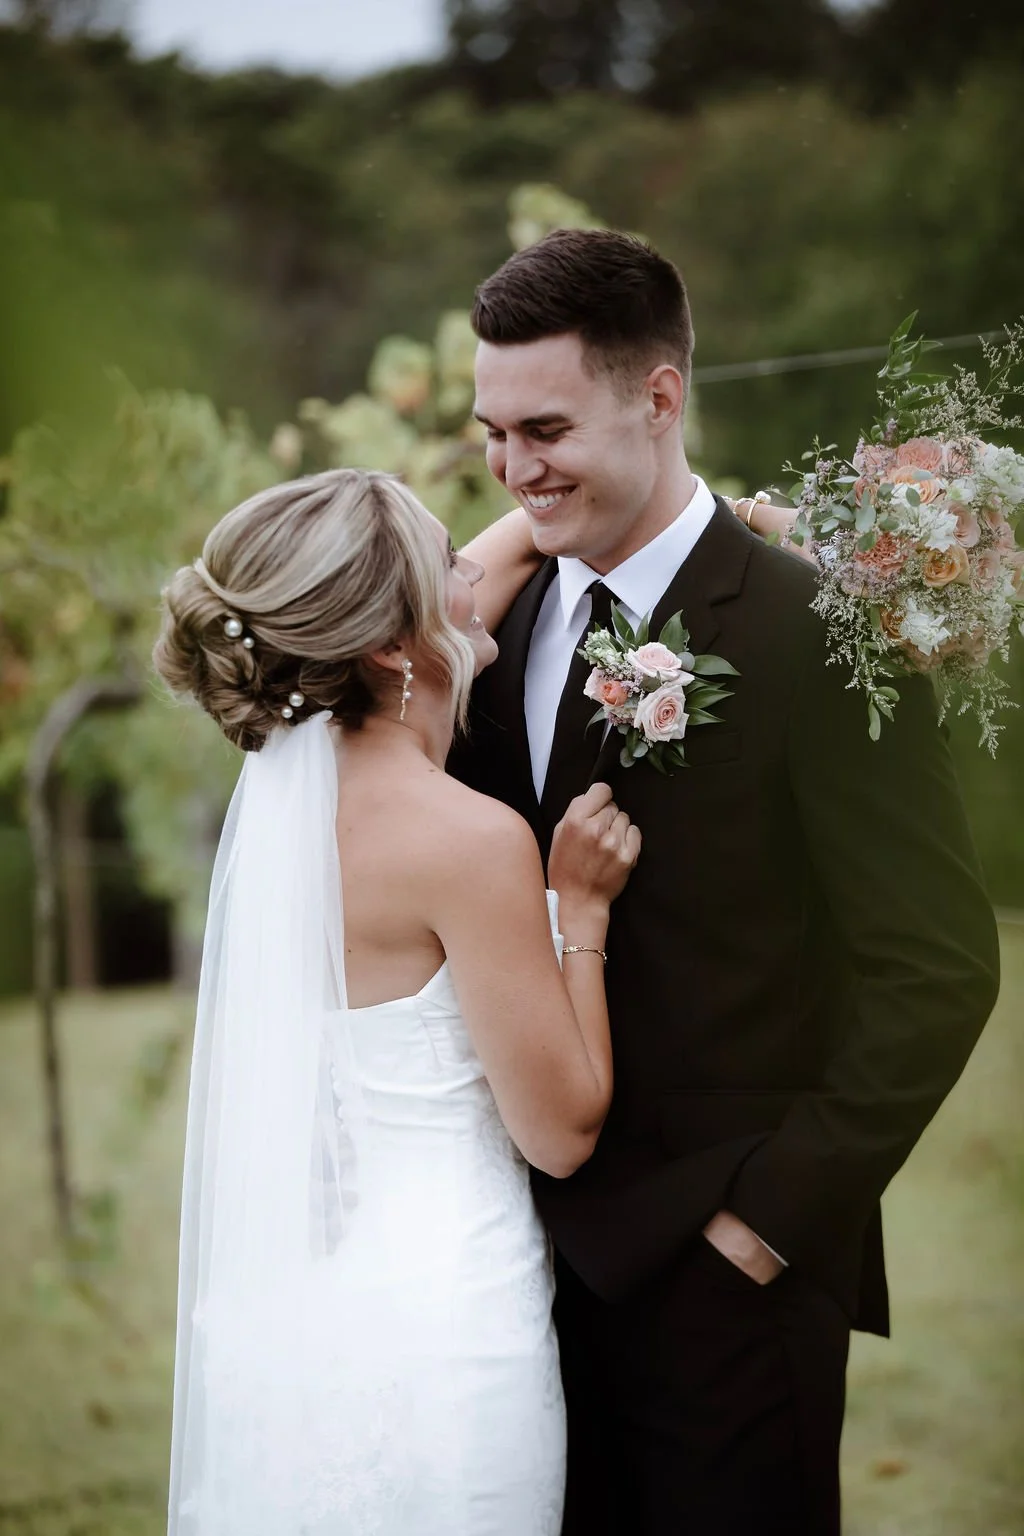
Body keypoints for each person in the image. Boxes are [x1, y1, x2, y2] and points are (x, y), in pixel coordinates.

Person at [448, 227, 1001, 1535]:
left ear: (659, 396)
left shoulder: (819, 632)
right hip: (508, 1271)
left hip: (730, 1283)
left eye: (546, 428)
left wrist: (766, 1226)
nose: (517, 468)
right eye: (492, 433)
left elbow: (937, 967)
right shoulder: (485, 629)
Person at [154, 467, 642, 1535]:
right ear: (388, 643)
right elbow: (561, 1130)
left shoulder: (291, 802)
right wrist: (582, 913)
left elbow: (495, 562)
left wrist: (693, 512)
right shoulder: (463, 840)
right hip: (444, 1325)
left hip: (301, 1318)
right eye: (450, 565)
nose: (481, 570)